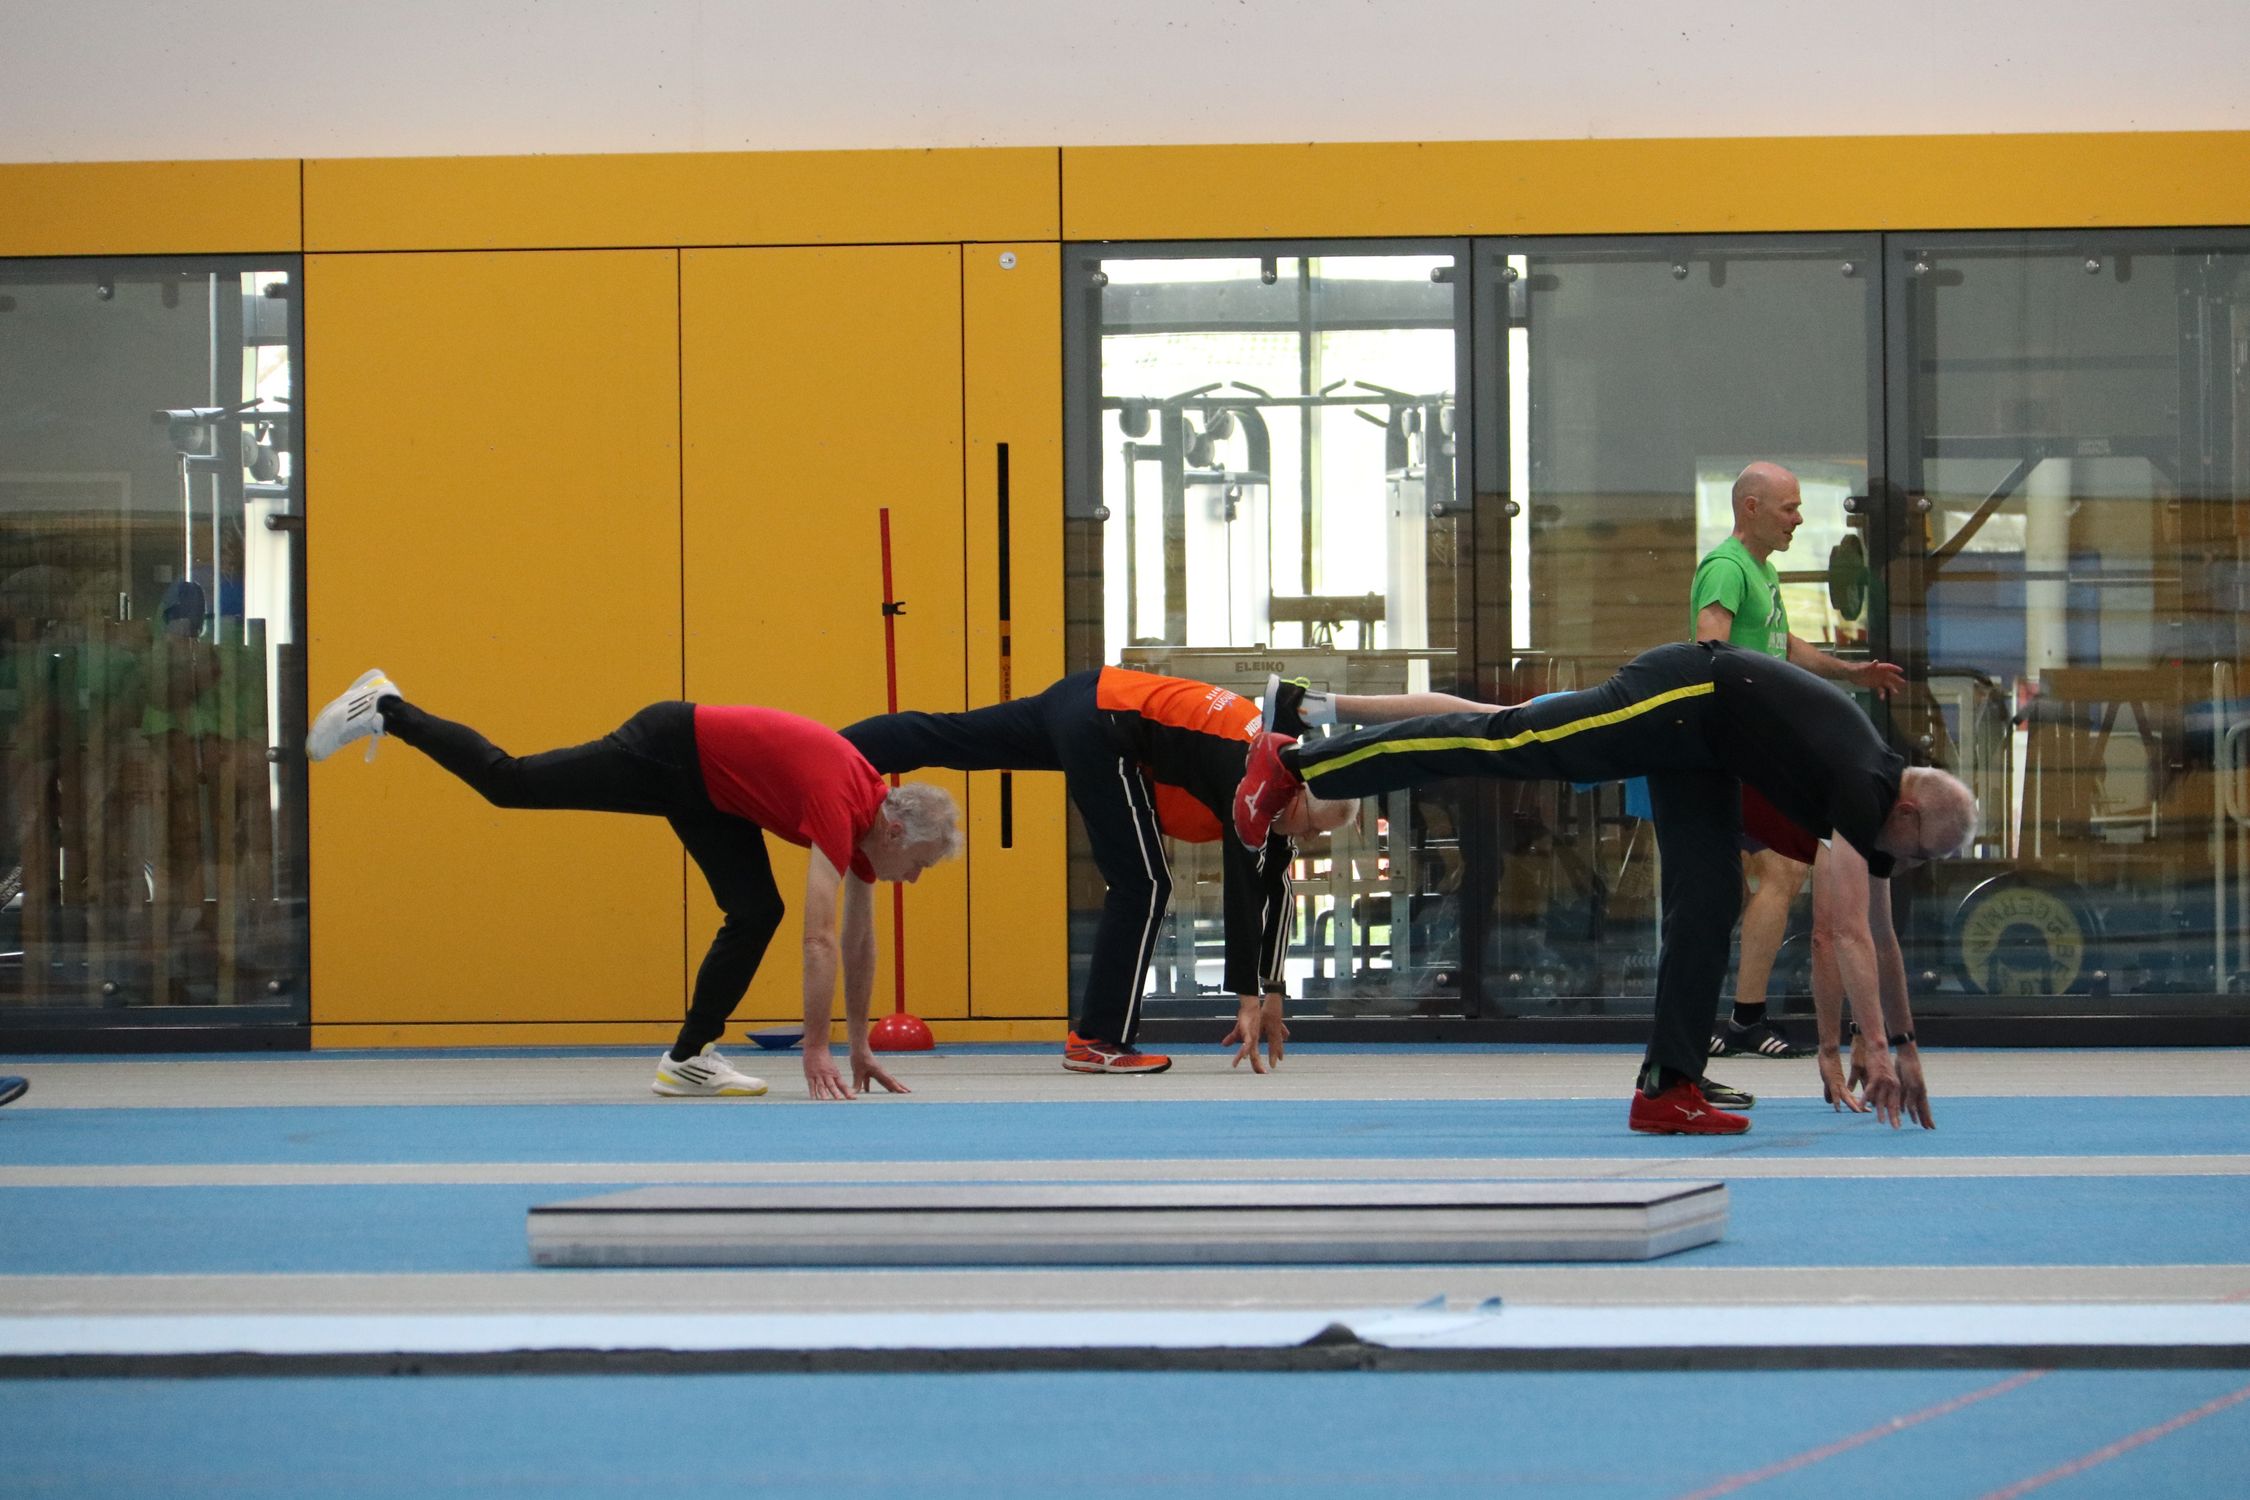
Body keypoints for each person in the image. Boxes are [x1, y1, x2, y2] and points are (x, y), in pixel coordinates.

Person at [1234, 641, 1977, 1135]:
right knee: (1508, 739)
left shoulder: (1881, 799)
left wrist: (1902, 1044)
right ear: (1910, 812)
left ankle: (1669, 1087)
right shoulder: (1865, 789)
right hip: (1683, 693)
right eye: (1917, 853)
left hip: (1707, 744)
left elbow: (1879, 937)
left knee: (1711, 896)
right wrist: (1870, 1046)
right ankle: (1298, 761)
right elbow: (1839, 931)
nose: (1908, 864)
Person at [306, 669, 961, 1101]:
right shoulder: (840, 802)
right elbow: (819, 941)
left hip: (715, 790)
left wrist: (857, 1044)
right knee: (512, 783)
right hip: (670, 747)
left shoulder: (871, 825)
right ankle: (387, 707)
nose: (914, 878)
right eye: (922, 864)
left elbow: (857, 943)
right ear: (896, 832)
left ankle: (688, 1060)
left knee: (756, 909)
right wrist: (815, 1050)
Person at [841, 667, 1353, 1076]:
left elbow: (1276, 884)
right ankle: (1098, 1039)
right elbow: (1245, 888)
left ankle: (833, 752)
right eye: (1313, 827)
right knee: (1144, 884)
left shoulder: (1280, 764)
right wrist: (1248, 998)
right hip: (1108, 727)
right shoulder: (1253, 778)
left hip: (1089, 694)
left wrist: (1273, 992)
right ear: (1295, 793)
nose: (1308, 839)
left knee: (953, 735)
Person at [1692, 462, 1905, 1062]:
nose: (1799, 519)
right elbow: (1710, 649)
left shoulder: (1761, 570)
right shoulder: (1726, 567)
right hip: (1740, 755)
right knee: (1775, 875)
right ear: (1752, 508)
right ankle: (1737, 1018)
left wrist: (1849, 673)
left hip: (1758, 752)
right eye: (1789, 508)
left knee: (1764, 879)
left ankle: (1734, 1018)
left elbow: (1781, 645)